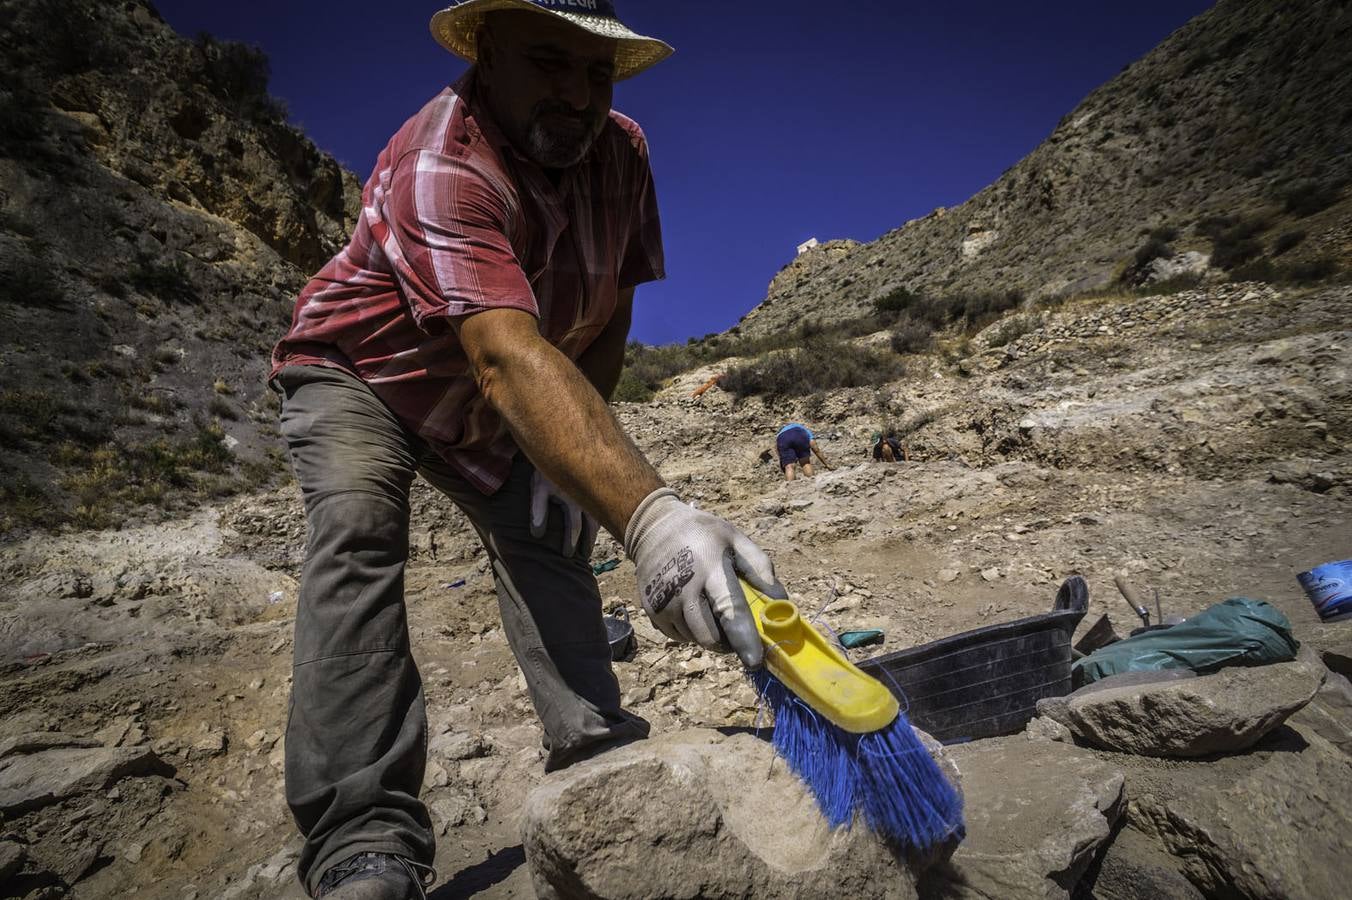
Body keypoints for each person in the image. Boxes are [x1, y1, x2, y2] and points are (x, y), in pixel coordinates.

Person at [268, 3, 785, 897]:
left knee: (553, 537)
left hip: (501, 393)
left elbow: (608, 312)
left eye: (597, 73)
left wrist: (579, 473)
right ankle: (364, 840)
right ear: (489, 54)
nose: (579, 95)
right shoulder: (442, 163)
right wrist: (653, 518)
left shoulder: (622, 151)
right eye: (551, 63)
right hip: (367, 377)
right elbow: (505, 356)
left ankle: (595, 756)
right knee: (356, 529)